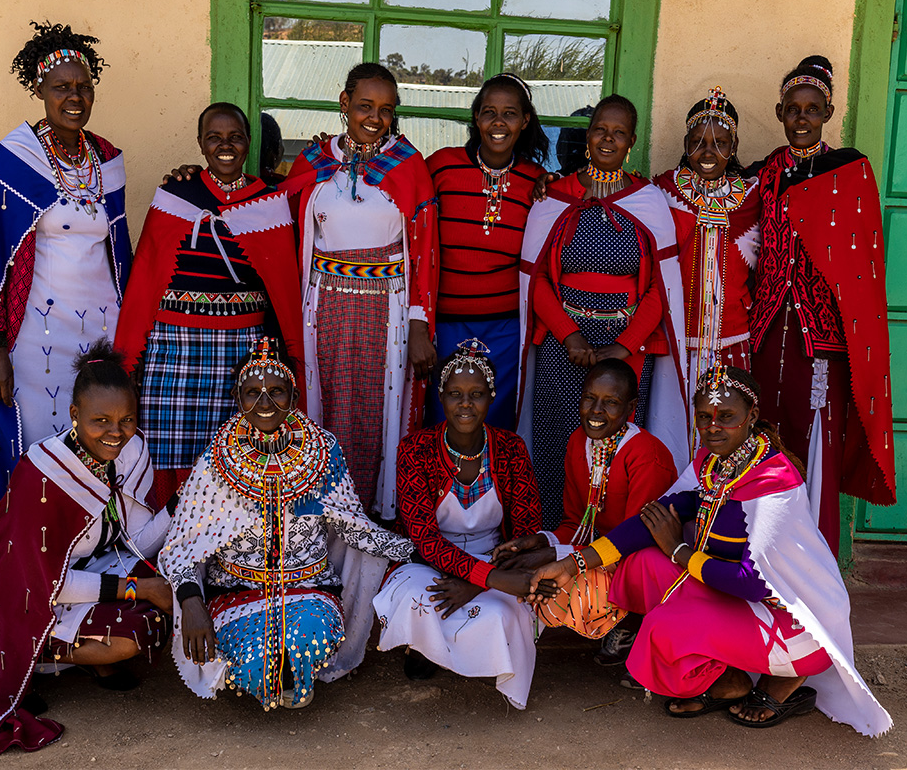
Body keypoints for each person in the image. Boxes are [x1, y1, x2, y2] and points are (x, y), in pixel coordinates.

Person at [527, 364, 892, 737]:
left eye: (726, 417)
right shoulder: (713, 465)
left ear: (752, 416)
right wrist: (573, 563)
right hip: (742, 604)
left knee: (663, 625)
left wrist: (679, 551)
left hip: (793, 627)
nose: (713, 427)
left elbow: (753, 583)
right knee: (642, 565)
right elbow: (652, 520)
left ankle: (785, 677)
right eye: (704, 417)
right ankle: (731, 678)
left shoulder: (773, 482)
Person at [159, 338, 417, 710]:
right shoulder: (215, 459)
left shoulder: (324, 451)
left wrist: (418, 551)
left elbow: (352, 525)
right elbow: (182, 544)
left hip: (310, 591)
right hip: (235, 596)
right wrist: (191, 601)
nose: (265, 403)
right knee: (259, 667)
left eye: (276, 391)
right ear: (238, 398)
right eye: (253, 392)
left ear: (294, 397)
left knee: (304, 641)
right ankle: (274, 674)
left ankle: (295, 670)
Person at [0, 21, 131, 560]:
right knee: (38, 446)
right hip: (37, 339)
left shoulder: (107, 159)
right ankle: (29, 562)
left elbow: (121, 252)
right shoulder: (15, 159)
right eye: (61, 87)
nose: (74, 97)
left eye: (83, 87)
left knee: (98, 443)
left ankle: (88, 555)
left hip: (101, 336)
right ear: (40, 90)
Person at [0, 340, 174, 754]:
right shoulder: (44, 472)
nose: (116, 432)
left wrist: (185, 506)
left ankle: (70, 655)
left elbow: (136, 542)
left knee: (166, 601)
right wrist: (140, 589)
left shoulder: (132, 450)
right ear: (75, 416)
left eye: (127, 419)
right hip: (13, 597)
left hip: (83, 575)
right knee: (131, 630)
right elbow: (45, 584)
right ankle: (33, 661)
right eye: (101, 420)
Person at [113, 102, 302, 506]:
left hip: (242, 353)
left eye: (235, 137)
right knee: (167, 445)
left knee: (236, 453)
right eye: (214, 137)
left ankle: (225, 550)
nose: (225, 145)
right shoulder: (175, 196)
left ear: (249, 142)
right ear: (200, 144)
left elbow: (283, 291)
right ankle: (166, 545)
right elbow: (145, 281)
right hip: (173, 352)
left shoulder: (270, 202)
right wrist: (129, 361)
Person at [746, 56, 896, 555]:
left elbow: (863, 263)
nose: (802, 118)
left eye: (813, 109)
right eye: (793, 109)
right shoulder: (766, 173)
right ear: (780, 112)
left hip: (822, 337)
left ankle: (815, 560)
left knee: (817, 445)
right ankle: (758, 556)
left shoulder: (849, 173)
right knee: (760, 436)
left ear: (828, 112)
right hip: (768, 333)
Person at [518, 94, 689, 529]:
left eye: (618, 133)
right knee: (559, 441)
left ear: (631, 141)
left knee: (620, 446)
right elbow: (534, 279)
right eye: (599, 129)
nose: (607, 139)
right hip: (562, 347)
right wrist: (568, 333)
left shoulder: (648, 201)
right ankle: (557, 536)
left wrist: (624, 345)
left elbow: (660, 288)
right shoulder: (554, 195)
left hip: (627, 350)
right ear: (587, 135)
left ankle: (614, 545)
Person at [282, 62, 438, 520]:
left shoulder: (408, 166)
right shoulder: (313, 162)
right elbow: (282, 229)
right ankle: (319, 513)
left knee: (378, 410)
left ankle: (374, 514)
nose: (375, 117)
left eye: (386, 109)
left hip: (386, 309)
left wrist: (419, 323)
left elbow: (424, 248)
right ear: (344, 103)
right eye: (365, 105)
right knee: (325, 404)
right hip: (323, 305)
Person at [374, 339, 543, 709]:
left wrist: (481, 580)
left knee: (501, 612)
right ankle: (423, 648)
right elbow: (424, 539)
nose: (465, 404)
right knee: (422, 598)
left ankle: (482, 659)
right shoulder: (415, 450)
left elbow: (527, 530)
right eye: (455, 394)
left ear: (491, 396)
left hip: (493, 558)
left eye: (476, 394)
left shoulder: (512, 448)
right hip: (429, 561)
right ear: (441, 396)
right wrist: (489, 581)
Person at [497, 360, 675, 662]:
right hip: (595, 552)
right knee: (516, 566)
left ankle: (633, 622)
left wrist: (556, 556)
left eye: (611, 402)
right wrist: (541, 541)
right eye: (589, 398)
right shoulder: (580, 441)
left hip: (635, 560)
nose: (595, 411)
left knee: (558, 579)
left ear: (631, 407)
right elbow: (576, 523)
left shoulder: (646, 455)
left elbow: (634, 542)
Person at [425, 73, 547, 429]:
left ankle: (493, 487)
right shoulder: (441, 167)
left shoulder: (535, 182)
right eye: (489, 112)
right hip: (444, 325)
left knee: (494, 423)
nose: (498, 122)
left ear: (525, 121)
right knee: (442, 420)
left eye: (510, 114)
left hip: (506, 329)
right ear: (476, 117)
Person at [653, 87, 760, 392]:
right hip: (674, 337)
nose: (708, 152)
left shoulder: (753, 198)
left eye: (720, 143)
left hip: (732, 338)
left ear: (734, 145)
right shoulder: (663, 191)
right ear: (686, 144)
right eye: (698, 142)